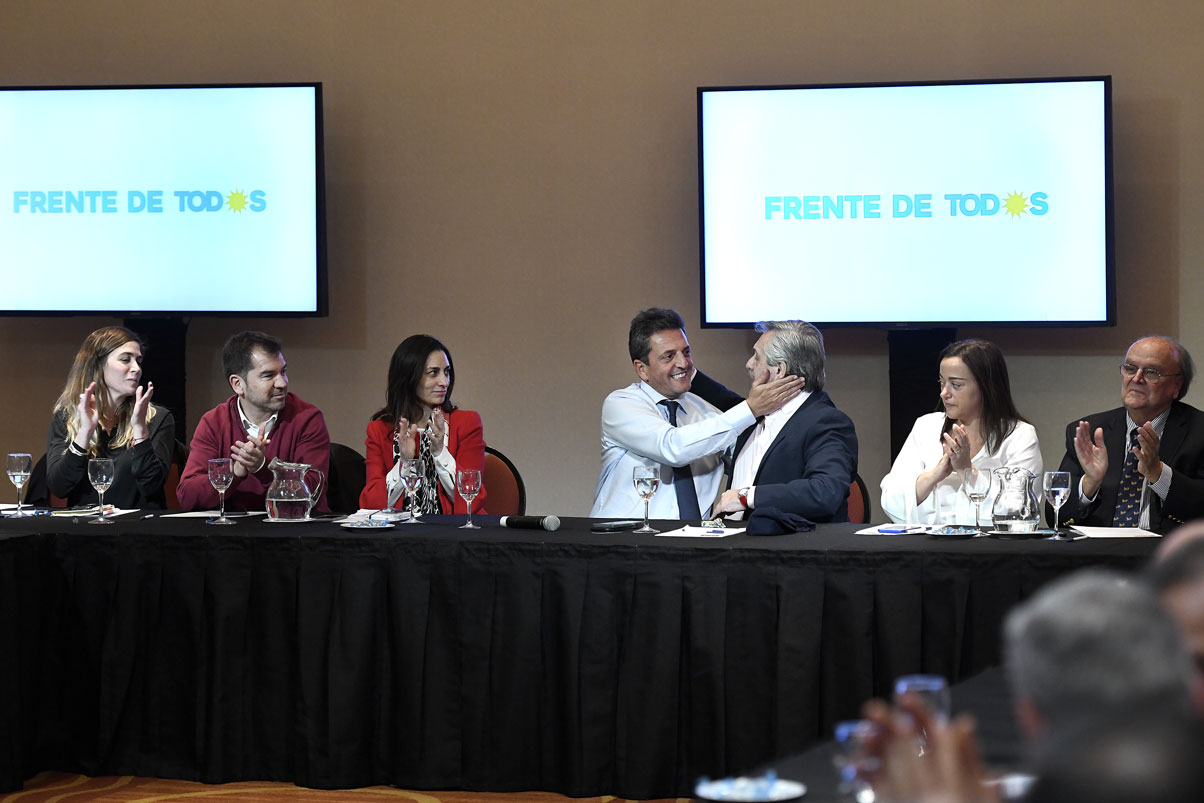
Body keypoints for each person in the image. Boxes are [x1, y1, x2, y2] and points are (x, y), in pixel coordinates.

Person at [590, 308, 803, 519]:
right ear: (642, 369)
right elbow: (673, 448)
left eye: (686, 352)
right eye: (668, 356)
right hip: (624, 540)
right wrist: (750, 408)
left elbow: (750, 459)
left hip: (692, 542)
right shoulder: (621, 404)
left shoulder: (705, 411)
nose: (683, 363)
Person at [879, 339, 1041, 525]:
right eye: (942, 382)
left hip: (992, 552)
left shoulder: (1019, 436)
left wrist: (966, 470)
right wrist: (935, 475)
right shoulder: (926, 427)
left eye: (956, 385)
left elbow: (1020, 511)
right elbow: (891, 499)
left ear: (987, 387)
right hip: (926, 549)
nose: (944, 393)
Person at [708, 320, 858, 521]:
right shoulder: (755, 413)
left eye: (757, 357)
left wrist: (746, 497)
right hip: (731, 546)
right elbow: (725, 399)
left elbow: (825, 492)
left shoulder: (827, 422)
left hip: (791, 549)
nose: (749, 363)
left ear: (779, 370)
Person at [1054, 335, 1204, 533]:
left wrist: (1159, 475)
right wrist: (1089, 483)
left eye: (1151, 372)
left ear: (1176, 385)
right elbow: (1055, 515)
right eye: (1130, 369)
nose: (1137, 378)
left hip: (1168, 556)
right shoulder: (1090, 431)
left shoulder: (1199, 431)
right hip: (1099, 553)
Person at [176, 331, 330, 513]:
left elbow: (313, 491)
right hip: (232, 535)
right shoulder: (214, 422)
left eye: (283, 371)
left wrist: (262, 467)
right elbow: (187, 496)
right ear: (237, 384)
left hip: (294, 532)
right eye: (268, 375)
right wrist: (235, 472)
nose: (282, 383)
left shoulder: (307, 418)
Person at [44, 326, 175, 508]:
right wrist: (84, 433)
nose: (136, 368)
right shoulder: (66, 417)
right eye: (125, 360)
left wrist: (140, 431)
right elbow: (59, 487)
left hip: (139, 530)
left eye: (138, 361)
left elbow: (151, 486)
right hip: (85, 530)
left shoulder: (157, 418)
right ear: (98, 366)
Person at [359, 334, 487, 514]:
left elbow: (472, 501)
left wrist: (441, 454)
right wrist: (404, 462)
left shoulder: (467, 423)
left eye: (447, 372)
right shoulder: (380, 430)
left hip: (452, 534)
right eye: (433, 372)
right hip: (399, 536)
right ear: (408, 377)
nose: (444, 382)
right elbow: (370, 504)